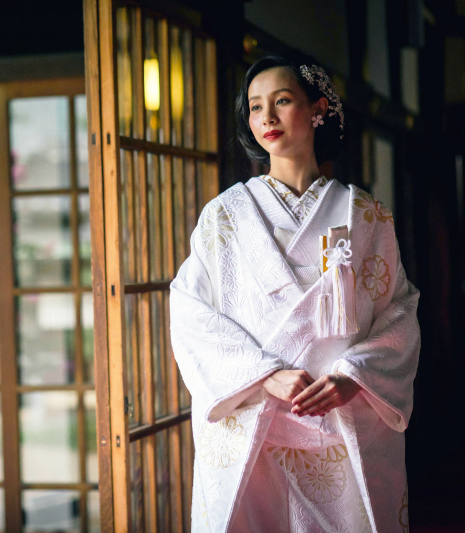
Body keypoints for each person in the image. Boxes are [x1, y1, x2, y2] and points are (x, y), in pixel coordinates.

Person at [170, 53, 420, 533]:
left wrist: (355, 376)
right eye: (255, 107)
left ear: (317, 109)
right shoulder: (224, 216)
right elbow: (188, 309)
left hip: (341, 424)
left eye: (282, 102)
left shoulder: (367, 216)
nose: (265, 117)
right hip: (256, 429)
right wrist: (264, 375)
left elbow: (399, 315)